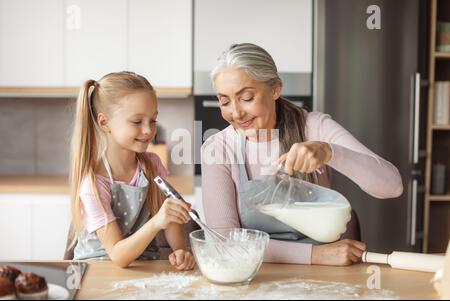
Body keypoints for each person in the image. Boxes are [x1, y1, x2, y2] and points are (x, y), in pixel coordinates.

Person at [201, 43, 403, 266]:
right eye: (225, 101)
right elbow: (226, 240)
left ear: (275, 89)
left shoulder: (314, 127)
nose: (236, 113)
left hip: (323, 275)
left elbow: (392, 186)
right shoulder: (218, 148)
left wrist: (329, 151)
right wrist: (315, 255)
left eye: (247, 98)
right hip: (256, 273)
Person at [68, 71, 195, 269]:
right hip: (97, 271)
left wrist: (180, 250)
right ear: (104, 122)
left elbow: (169, 219)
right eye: (137, 122)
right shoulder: (93, 182)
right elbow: (118, 256)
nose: (148, 130)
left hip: (141, 267)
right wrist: (156, 222)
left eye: (153, 120)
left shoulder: (152, 165)